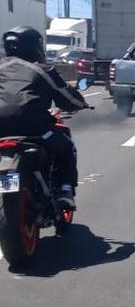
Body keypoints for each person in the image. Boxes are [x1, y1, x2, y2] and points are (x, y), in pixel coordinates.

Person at [0, 26, 88, 209]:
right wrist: (81, 104)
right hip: (35, 129)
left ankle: (8, 193)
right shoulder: (41, 70)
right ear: (34, 47)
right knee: (66, 148)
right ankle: (64, 190)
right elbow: (67, 98)